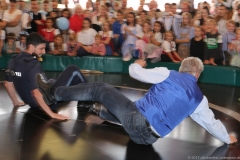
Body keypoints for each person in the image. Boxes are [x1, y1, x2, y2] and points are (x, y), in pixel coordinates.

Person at [36, 57, 238, 145]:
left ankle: (55, 93)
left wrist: (137, 63)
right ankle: (99, 111)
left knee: (100, 88)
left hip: (135, 121)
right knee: (133, 109)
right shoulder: (200, 100)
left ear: (182, 68)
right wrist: (226, 138)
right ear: (197, 73)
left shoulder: (168, 74)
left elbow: (135, 73)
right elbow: (211, 124)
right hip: (146, 139)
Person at [4, 33, 88, 118]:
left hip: (32, 105)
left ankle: (80, 96)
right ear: (32, 47)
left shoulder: (13, 60)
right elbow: (36, 93)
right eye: (41, 48)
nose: (44, 52)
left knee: (51, 81)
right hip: (49, 104)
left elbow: (8, 84)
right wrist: (52, 114)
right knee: (73, 69)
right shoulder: (33, 64)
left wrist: (16, 102)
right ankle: (89, 101)